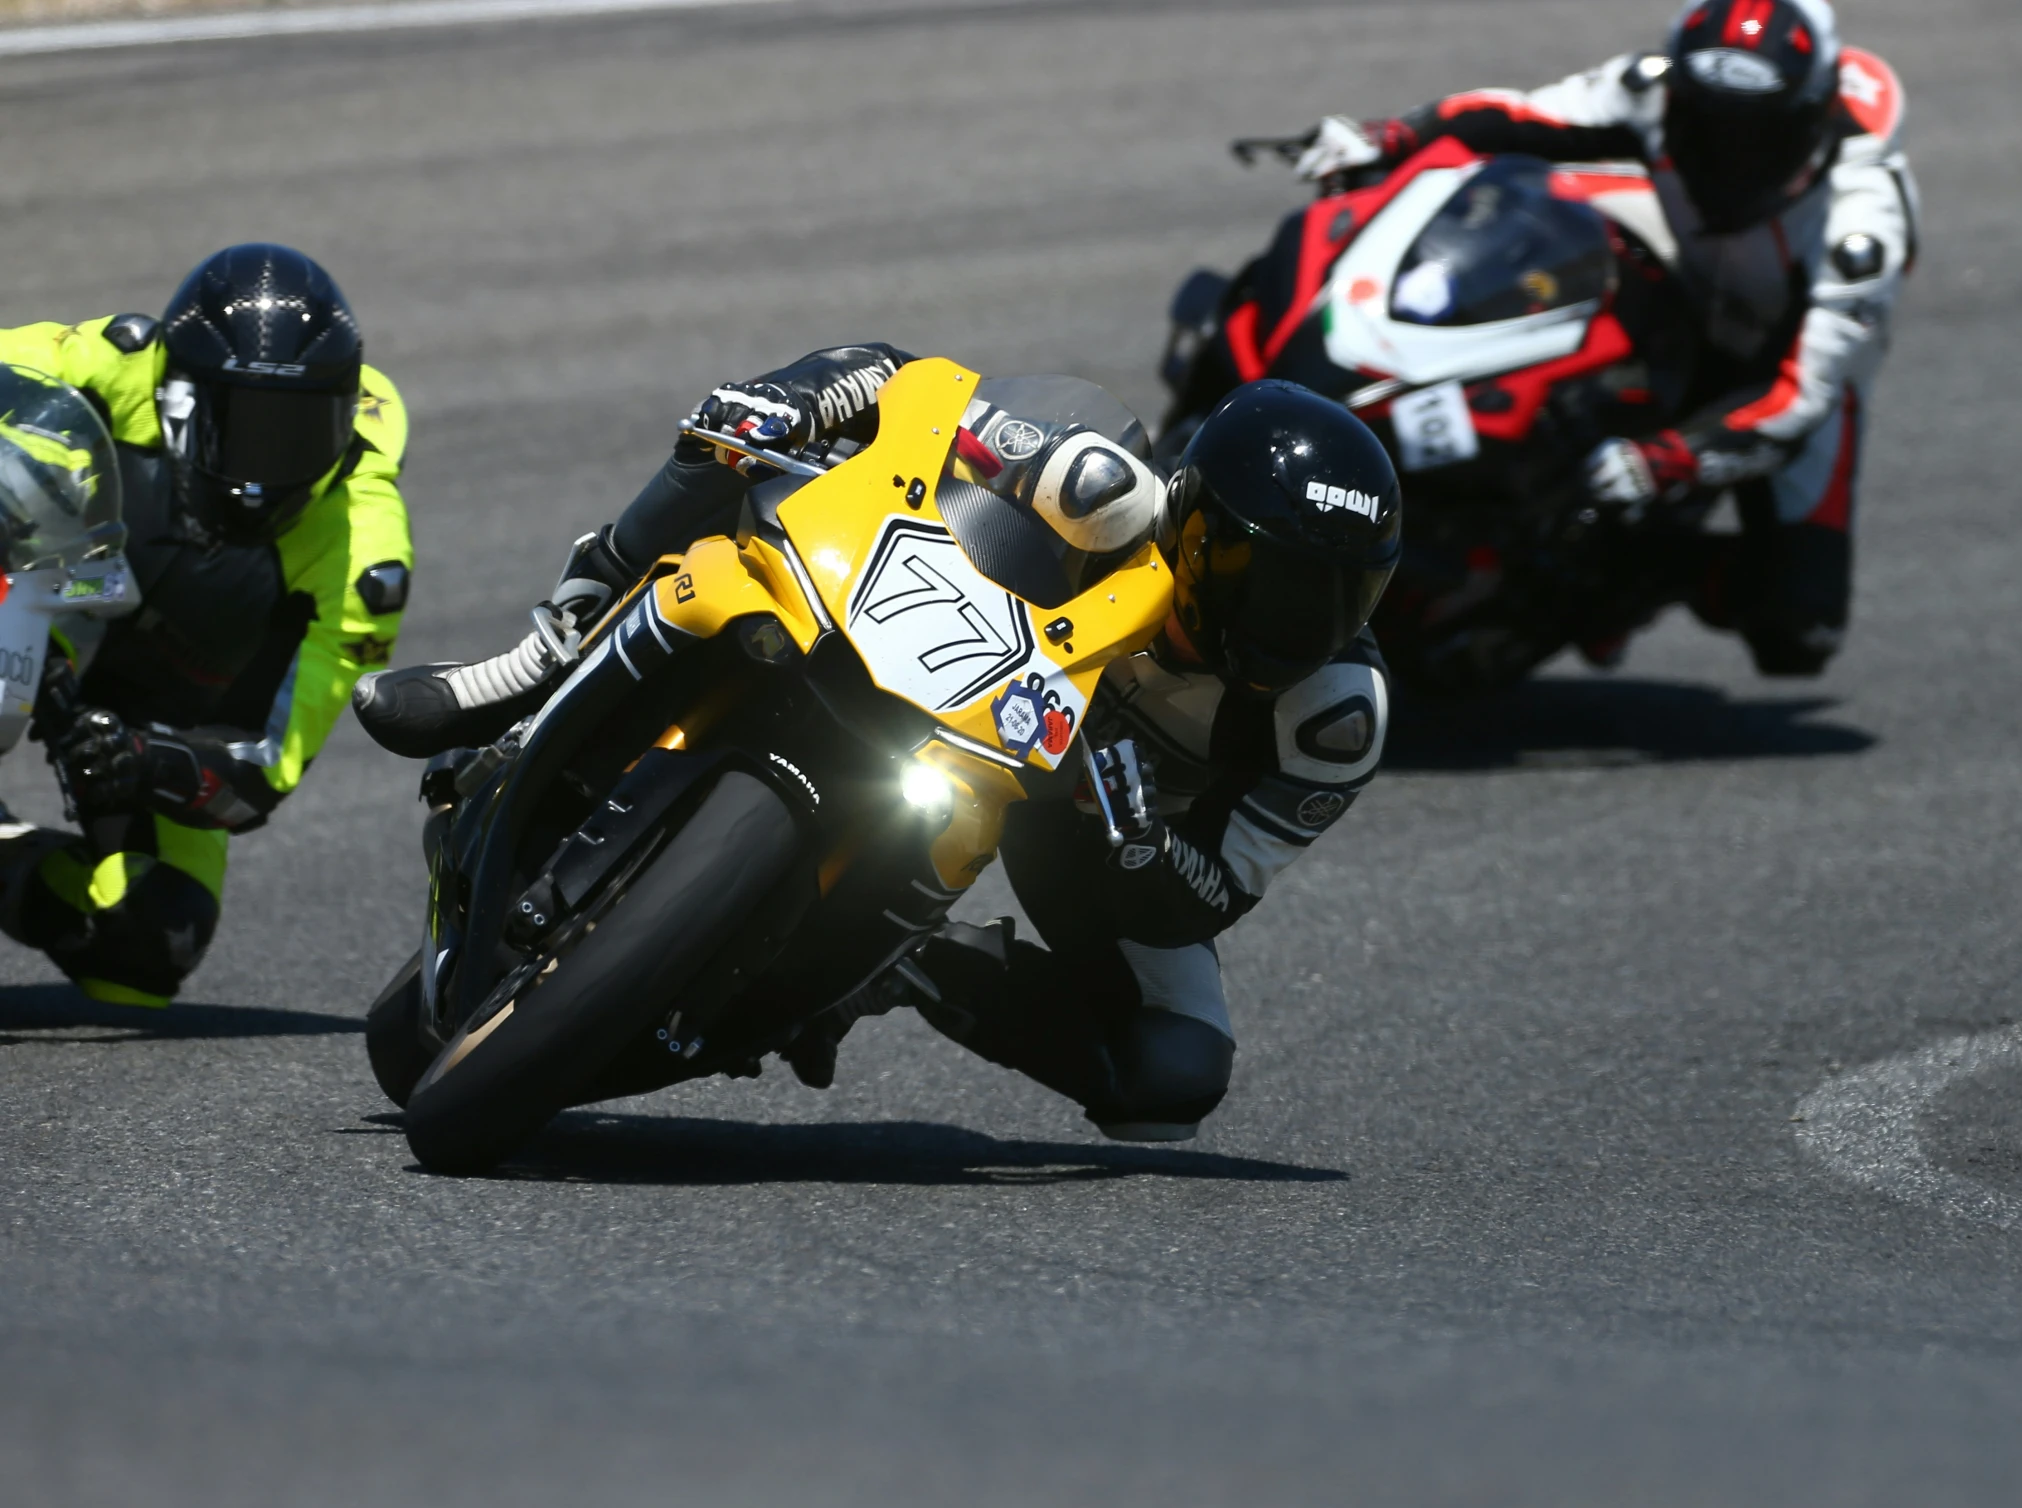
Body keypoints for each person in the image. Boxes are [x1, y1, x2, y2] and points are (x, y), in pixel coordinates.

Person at [355, 351, 1400, 1141]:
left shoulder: (1332, 717)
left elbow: (1217, 895)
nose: (1296, 621)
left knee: (1177, 1075)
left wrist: (1139, 846)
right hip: (942, 685)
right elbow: (913, 384)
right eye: (1267, 577)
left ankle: (902, 968)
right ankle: (544, 652)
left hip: (1088, 836)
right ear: (1193, 522)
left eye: (1340, 595)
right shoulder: (1098, 488)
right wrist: (796, 399)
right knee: (731, 477)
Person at [1292, 0, 1916, 674]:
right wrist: (1391, 135)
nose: (1728, 158)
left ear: (1812, 118)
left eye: (1755, 137)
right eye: (1704, 128)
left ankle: (1636, 580)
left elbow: (1799, 399)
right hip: (1668, 275)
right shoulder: (1650, 89)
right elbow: (1523, 115)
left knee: (1799, 624)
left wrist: (1664, 460)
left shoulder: (1862, 229)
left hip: (1776, 369)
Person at [0, 244, 414, 1007]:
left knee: (153, 941)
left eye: (299, 433)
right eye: (245, 429)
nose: (269, 470)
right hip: (35, 602)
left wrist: (140, 758)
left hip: (148, 712)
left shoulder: (364, 552)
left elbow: (262, 776)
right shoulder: (116, 364)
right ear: (177, 397)